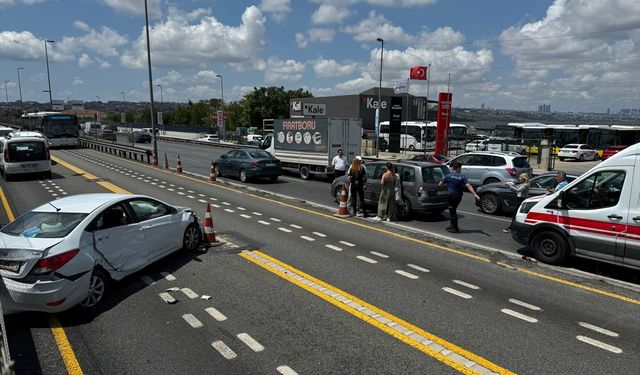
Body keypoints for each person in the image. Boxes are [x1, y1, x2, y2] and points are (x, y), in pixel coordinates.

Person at [438, 162, 480, 233]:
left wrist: (446, 186)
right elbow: (468, 186)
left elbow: (439, 184)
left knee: (452, 211)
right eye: (460, 168)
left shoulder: (448, 176)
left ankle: (455, 228)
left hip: (451, 196)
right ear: (457, 168)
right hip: (458, 197)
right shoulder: (462, 177)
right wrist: (475, 194)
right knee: (453, 210)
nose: (461, 170)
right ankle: (452, 225)